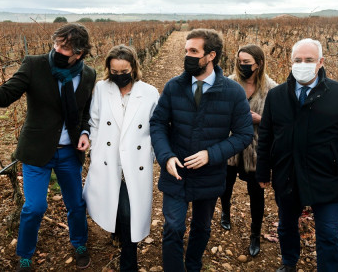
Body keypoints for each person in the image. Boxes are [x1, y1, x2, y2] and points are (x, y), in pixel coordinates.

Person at [0, 23, 96, 271]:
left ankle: (80, 243)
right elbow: (2, 97)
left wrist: (84, 131)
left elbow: (84, 112)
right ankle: (25, 255)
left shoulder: (89, 75)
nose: (57, 49)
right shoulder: (35, 64)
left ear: (79, 54)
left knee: (76, 204)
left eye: (65, 48)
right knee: (35, 206)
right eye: (56, 44)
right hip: (37, 151)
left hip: (70, 152)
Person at [255, 38, 338, 272]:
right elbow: (265, 136)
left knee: (328, 232)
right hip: (287, 174)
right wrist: (263, 170)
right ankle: (289, 263)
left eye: (309, 60)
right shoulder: (276, 96)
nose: (302, 64)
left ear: (321, 62)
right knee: (286, 226)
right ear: (290, 62)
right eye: (297, 60)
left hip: (325, 175)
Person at [150, 29, 254, 272]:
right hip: (175, 172)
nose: (187, 56)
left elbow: (243, 134)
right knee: (173, 226)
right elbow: (157, 123)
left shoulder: (233, 92)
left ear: (211, 56)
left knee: (202, 226)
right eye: (186, 51)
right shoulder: (174, 86)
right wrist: (165, 156)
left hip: (210, 172)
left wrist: (211, 154)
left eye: (193, 51)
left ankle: (194, 263)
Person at [82, 45, 159, 271]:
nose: (119, 75)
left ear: (133, 67)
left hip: (136, 161)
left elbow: (157, 127)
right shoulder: (100, 89)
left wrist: (152, 154)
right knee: (115, 204)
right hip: (108, 159)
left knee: (129, 211)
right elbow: (94, 122)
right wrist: (96, 150)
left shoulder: (150, 92)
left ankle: (129, 261)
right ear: (108, 69)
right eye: (114, 72)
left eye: (124, 70)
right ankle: (116, 231)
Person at [219, 44, 278, 257]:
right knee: (225, 184)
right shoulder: (228, 83)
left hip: (257, 149)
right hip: (230, 145)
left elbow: (279, 121)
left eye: (247, 63)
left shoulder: (272, 89)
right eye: (240, 62)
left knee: (256, 193)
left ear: (259, 64)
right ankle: (225, 212)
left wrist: (260, 120)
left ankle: (255, 233)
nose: (242, 66)